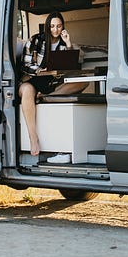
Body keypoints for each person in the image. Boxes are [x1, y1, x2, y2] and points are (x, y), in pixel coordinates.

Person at [19, 11, 87, 162]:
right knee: (26, 89)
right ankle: (33, 138)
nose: (55, 30)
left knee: (83, 81)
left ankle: (46, 97)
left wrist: (68, 44)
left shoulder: (64, 42)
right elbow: (25, 65)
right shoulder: (36, 40)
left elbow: (74, 66)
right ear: (47, 27)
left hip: (53, 83)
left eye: (58, 26)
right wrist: (39, 70)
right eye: (52, 26)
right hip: (33, 80)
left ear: (63, 26)